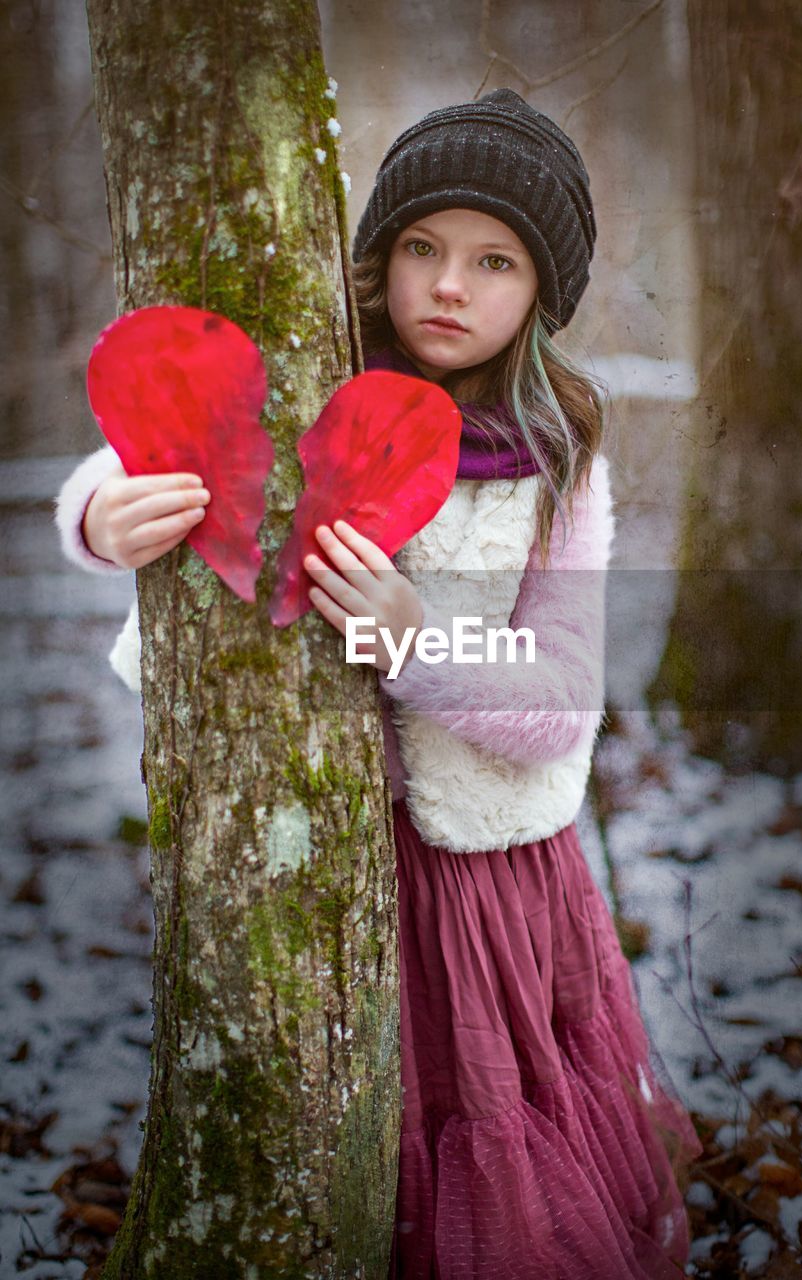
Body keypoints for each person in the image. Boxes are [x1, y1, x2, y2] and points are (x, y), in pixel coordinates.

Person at [56, 88, 701, 1279]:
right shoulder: (320, 363)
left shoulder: (557, 451)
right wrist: (98, 511)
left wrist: (415, 643)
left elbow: (563, 690)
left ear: (542, 293)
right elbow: (176, 426)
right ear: (378, 256)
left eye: (493, 260)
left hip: (477, 875)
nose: (448, 285)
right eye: (421, 248)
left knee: (472, 1118)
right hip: (312, 845)